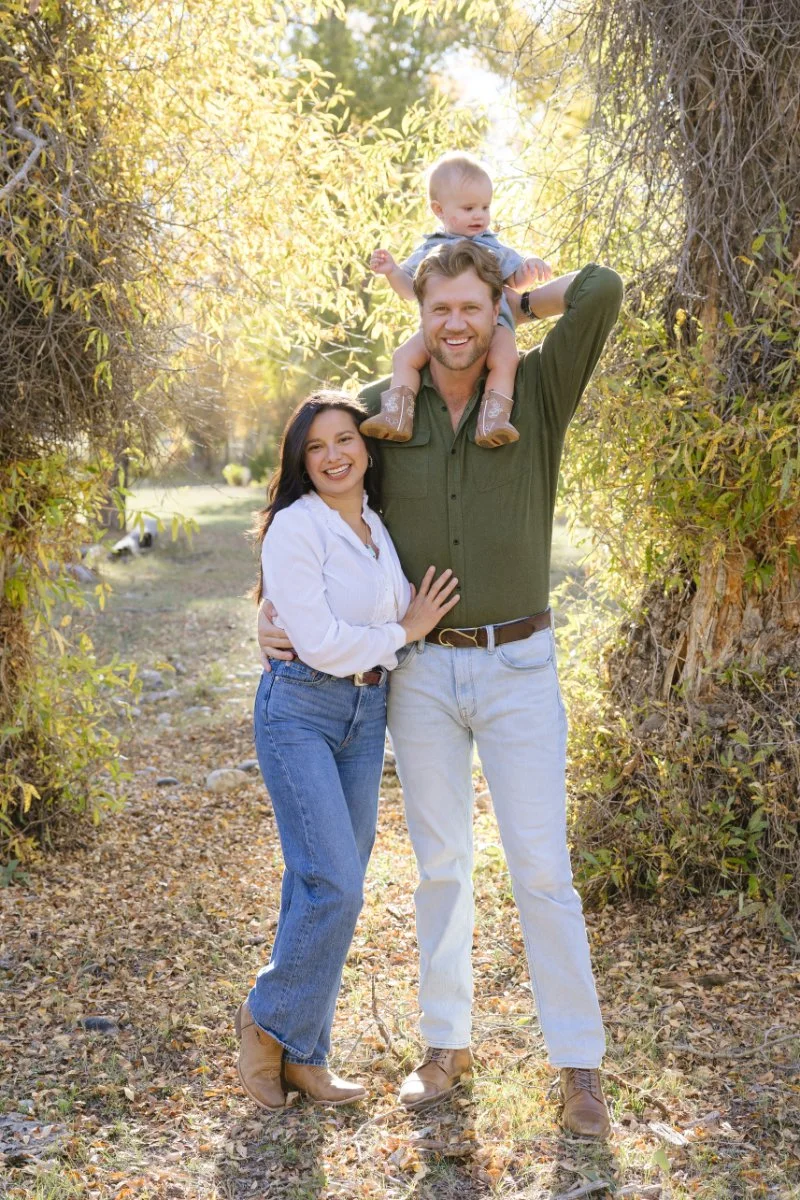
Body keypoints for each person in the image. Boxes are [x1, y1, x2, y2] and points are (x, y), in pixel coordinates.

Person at [259, 241, 623, 1137]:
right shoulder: (389, 420)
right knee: (441, 868)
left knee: (541, 869)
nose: (455, 325)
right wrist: (270, 613)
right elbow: (320, 508)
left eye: (471, 308)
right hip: (417, 676)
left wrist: (518, 310)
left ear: (491, 306)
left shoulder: (535, 393)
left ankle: (578, 1064)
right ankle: (445, 1047)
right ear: (418, 318)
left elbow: (606, 289)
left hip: (519, 665)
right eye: (439, 311)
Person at [237, 391, 460, 1111]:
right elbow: (329, 644)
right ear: (301, 461)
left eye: (345, 440)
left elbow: (372, 613)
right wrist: (410, 630)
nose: (334, 456)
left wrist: (402, 624)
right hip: (300, 708)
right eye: (316, 447)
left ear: (367, 450)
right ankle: (265, 1021)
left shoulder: (372, 525)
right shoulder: (294, 529)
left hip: (365, 715)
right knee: (337, 882)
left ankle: (306, 1055)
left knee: (316, 884)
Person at [361, 151, 551, 448]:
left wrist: (530, 267)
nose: (479, 215)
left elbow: (515, 280)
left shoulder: (492, 247)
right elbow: (409, 291)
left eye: (485, 207)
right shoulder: (430, 250)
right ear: (439, 210)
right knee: (403, 357)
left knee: (505, 358)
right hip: (441, 329)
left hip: (494, 325)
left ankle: (493, 419)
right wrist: (392, 271)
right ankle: (398, 416)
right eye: (468, 208)